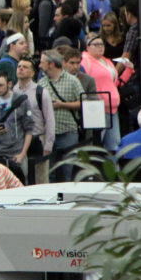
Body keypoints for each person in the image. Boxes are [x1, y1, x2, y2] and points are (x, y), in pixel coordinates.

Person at [38, 49, 85, 181]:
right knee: (49, 173)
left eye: (42, 62)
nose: (40, 65)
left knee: (69, 172)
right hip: (49, 135)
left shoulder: (72, 81)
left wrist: (62, 105)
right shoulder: (42, 83)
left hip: (68, 132)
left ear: (51, 64)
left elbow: (84, 103)